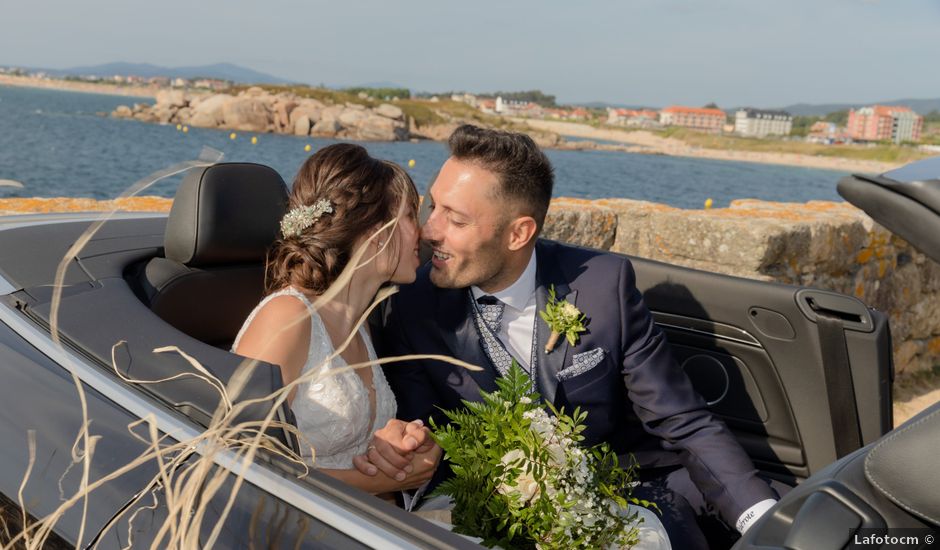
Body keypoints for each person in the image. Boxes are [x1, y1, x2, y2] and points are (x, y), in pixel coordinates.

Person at [363, 125, 781, 548]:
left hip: (622, 486)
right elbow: (424, 430)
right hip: (489, 502)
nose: (429, 230)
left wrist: (764, 522)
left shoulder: (605, 287)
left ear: (518, 234)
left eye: (455, 219)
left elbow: (683, 420)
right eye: (433, 207)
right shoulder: (412, 302)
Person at [232, 143, 441, 495]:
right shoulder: (287, 318)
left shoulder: (359, 325)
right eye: (410, 215)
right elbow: (241, 463)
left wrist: (401, 448)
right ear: (376, 233)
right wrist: (377, 481)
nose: (424, 232)